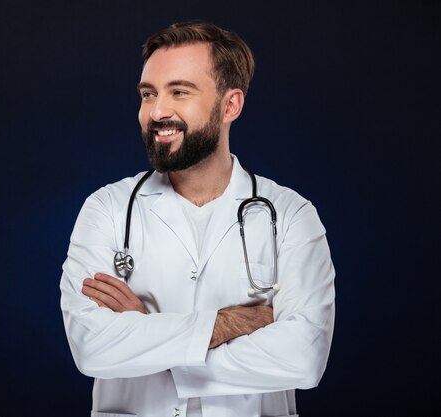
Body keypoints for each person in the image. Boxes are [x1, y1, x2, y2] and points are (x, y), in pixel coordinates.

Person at [60, 21, 335, 417]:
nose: (157, 111)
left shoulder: (291, 216)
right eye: (148, 94)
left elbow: (304, 358)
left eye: (179, 92)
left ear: (230, 105)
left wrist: (147, 332)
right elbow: (91, 347)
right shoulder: (107, 209)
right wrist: (227, 324)